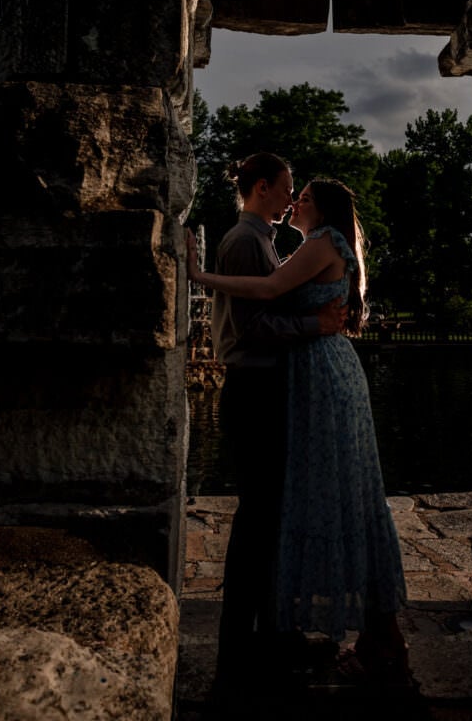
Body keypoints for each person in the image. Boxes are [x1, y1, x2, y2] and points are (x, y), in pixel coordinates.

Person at [187, 176, 410, 685]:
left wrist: (201, 276)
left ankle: (382, 638)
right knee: (343, 495)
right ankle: (375, 636)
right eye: (293, 192)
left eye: (303, 197)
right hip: (317, 370)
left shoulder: (322, 242)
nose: (295, 202)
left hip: (322, 373)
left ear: (322, 209)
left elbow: (268, 290)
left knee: (345, 496)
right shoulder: (315, 244)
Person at [196, 154, 347, 692]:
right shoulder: (245, 242)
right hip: (254, 390)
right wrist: (315, 324)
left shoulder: (261, 241)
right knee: (258, 520)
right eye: (286, 190)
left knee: (268, 518)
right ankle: (241, 645)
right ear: (262, 188)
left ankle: (266, 634)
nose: (290, 200)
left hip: (264, 389)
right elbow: (254, 326)